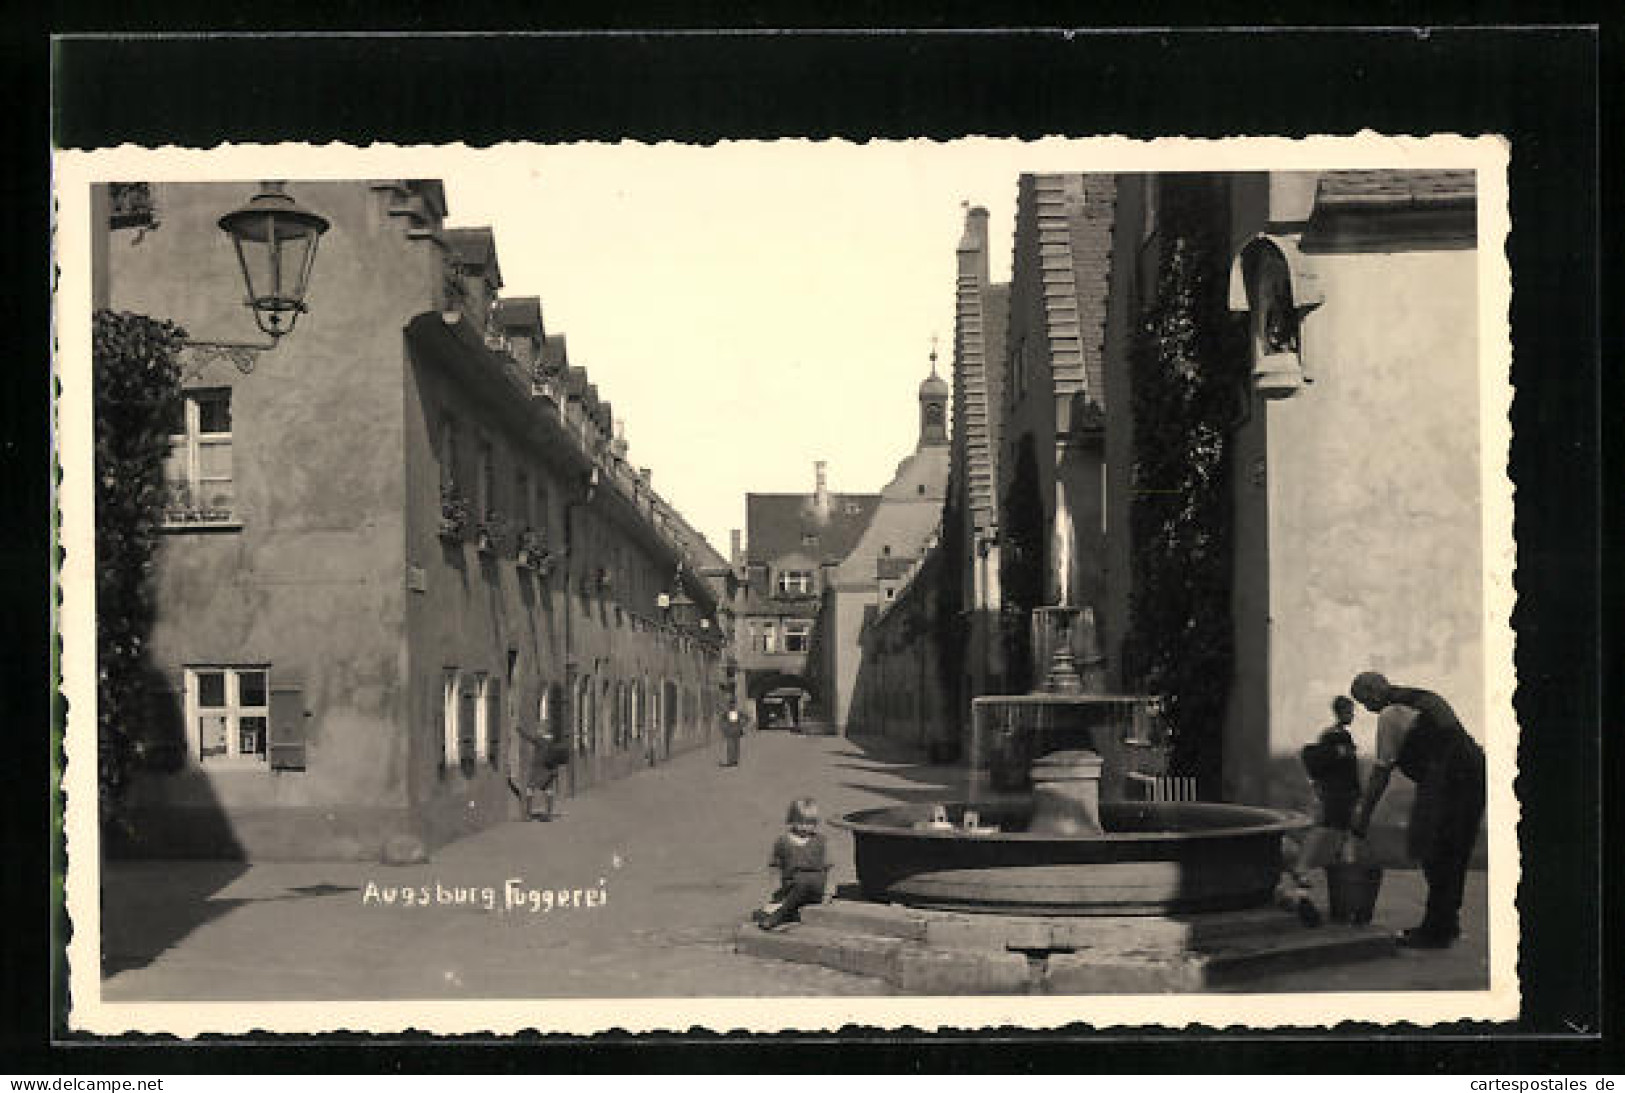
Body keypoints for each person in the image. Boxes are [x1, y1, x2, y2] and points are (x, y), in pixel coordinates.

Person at [1348, 671, 1486, 949]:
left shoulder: (1391, 714)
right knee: (1453, 851)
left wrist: (1363, 816)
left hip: (1448, 779)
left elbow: (1381, 772)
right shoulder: (1421, 697)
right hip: (1475, 774)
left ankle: (1436, 931)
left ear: (1374, 692)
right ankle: (1445, 923)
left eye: (1364, 702)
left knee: (1431, 848)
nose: (1367, 709)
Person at [1278, 696, 1364, 926]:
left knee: (1341, 835)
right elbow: (1340, 769)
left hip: (1341, 794)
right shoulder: (1336, 739)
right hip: (1338, 795)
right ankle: (1306, 873)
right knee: (1331, 831)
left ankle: (1337, 883)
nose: (1352, 715)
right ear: (1340, 711)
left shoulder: (1338, 738)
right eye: (1349, 711)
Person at [754, 797, 831, 930]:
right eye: (802, 822)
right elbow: (776, 866)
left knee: (806, 881)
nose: (806, 827)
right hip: (791, 885)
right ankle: (786, 910)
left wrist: (828, 891)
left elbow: (827, 866)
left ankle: (780, 915)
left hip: (814, 887)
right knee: (794, 888)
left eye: (811, 823)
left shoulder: (820, 841)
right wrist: (777, 889)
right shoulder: (783, 842)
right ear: (792, 820)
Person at [515, 721, 569, 821]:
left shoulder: (540, 740)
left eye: (540, 728)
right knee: (548, 790)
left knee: (530, 789)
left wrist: (519, 730)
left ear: (543, 730)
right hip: (550, 769)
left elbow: (528, 738)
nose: (538, 730)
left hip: (539, 769)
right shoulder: (553, 741)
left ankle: (528, 814)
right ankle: (548, 814)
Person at [720, 702, 744, 767]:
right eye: (731, 705)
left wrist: (741, 725)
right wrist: (724, 728)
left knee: (736, 747)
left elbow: (746, 718)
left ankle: (735, 761)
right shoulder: (727, 713)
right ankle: (730, 761)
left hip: (736, 732)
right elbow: (722, 720)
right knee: (730, 747)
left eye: (733, 705)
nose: (732, 706)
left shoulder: (738, 712)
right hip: (730, 732)